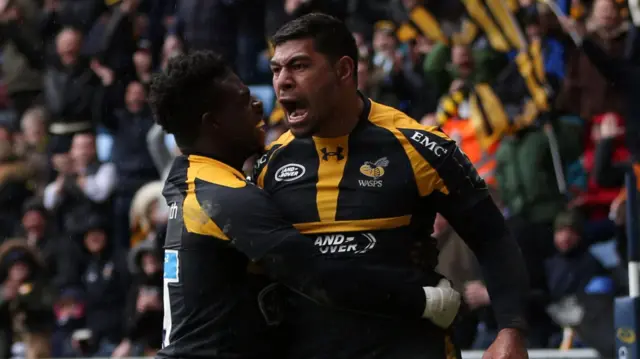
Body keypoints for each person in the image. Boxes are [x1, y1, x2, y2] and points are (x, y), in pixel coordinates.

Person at [148, 50, 463, 359]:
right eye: (244, 101)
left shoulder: (191, 182)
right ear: (213, 122)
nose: (258, 105)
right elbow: (317, 274)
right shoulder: (227, 198)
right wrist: (422, 299)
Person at [255, 13, 530, 359]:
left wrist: (511, 329)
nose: (283, 81)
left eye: (298, 66)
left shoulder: (420, 146)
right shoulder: (271, 164)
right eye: (276, 69)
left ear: (343, 70)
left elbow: (494, 239)